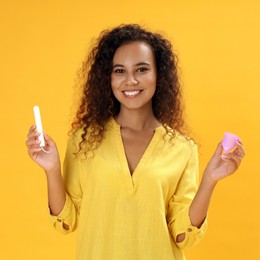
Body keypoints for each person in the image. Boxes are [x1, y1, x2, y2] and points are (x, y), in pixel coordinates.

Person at [26, 24, 245, 260]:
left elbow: (183, 235)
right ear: (107, 78)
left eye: (141, 69)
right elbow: (66, 222)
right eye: (119, 71)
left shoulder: (182, 148)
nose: (130, 80)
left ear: (158, 75)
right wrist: (52, 170)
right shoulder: (83, 139)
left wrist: (209, 180)